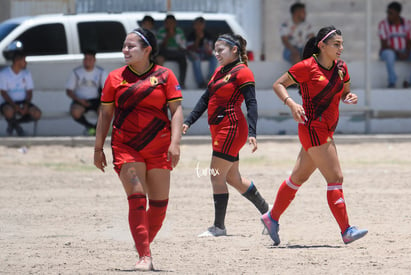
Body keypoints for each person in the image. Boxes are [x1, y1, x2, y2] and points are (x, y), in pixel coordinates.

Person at [261, 26, 368, 246]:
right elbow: (278, 84)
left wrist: (349, 96)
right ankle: (346, 231)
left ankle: (271, 218)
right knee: (335, 178)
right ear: (322, 46)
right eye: (336, 44)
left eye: (341, 44)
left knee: (298, 178)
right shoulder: (307, 67)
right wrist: (291, 103)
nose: (341, 48)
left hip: (327, 128)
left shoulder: (341, 68)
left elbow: (345, 90)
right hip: (313, 128)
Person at [93, 28, 183, 271]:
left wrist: (175, 143)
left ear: (147, 50)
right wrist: (98, 148)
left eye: (131, 46)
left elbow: (176, 111)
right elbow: (105, 114)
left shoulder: (165, 76)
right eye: (124, 45)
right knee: (136, 198)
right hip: (126, 146)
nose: (125, 50)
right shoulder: (114, 78)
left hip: (159, 146)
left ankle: (143, 243)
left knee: (159, 206)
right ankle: (145, 256)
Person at [182, 33, 269, 237]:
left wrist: (253, 131)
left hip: (231, 128)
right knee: (233, 178)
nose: (216, 53)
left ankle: (219, 227)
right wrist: (188, 121)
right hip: (220, 128)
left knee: (216, 175)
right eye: (215, 50)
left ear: (234, 50)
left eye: (220, 50)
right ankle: (269, 213)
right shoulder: (219, 71)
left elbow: (252, 103)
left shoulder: (243, 72)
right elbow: (205, 99)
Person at [0, 48, 41, 136]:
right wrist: (14, 106)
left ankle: (13, 123)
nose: (26, 63)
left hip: (23, 102)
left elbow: (29, 91)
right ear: (17, 61)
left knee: (37, 113)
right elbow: (3, 93)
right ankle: (18, 129)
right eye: (24, 60)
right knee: (8, 111)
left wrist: (26, 105)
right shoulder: (4, 74)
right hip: (9, 103)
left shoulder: (26, 73)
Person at [65, 49, 107, 136]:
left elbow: (106, 90)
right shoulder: (76, 72)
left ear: (94, 60)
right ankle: (90, 127)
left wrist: (103, 102)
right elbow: (69, 91)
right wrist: (79, 100)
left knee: (105, 111)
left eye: (90, 59)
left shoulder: (101, 72)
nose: (87, 61)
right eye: (85, 59)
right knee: (75, 112)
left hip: (96, 99)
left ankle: (97, 129)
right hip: (80, 99)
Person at [378, 1, 411, 88]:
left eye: (391, 13)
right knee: (389, 54)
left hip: (403, 51)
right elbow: (384, 44)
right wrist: (398, 53)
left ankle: (410, 81)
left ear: (398, 13)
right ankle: (392, 81)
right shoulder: (383, 24)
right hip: (388, 52)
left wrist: (407, 52)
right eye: (388, 12)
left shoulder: (406, 23)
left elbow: (409, 40)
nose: (388, 15)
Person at [156, 14, 187, 89]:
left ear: (175, 23)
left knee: (183, 60)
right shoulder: (161, 31)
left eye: (171, 23)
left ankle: (181, 83)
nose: (170, 25)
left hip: (176, 52)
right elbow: (159, 46)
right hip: (164, 51)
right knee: (159, 59)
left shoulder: (179, 31)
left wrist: (175, 37)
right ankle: (159, 81)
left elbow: (183, 46)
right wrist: (167, 37)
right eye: (168, 23)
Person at [186, 16, 218, 89]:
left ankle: (210, 79)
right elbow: (190, 50)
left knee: (214, 58)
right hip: (193, 54)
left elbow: (210, 51)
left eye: (201, 24)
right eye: (197, 24)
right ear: (194, 26)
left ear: (203, 25)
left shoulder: (208, 35)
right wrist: (198, 39)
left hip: (204, 54)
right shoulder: (191, 35)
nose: (199, 27)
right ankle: (201, 83)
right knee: (196, 58)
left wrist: (207, 47)